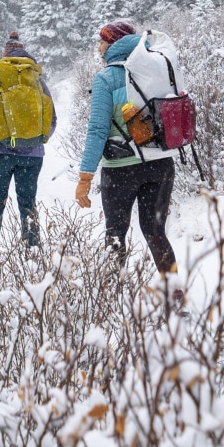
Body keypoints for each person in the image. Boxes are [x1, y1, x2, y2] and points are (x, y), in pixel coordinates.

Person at [75, 21, 179, 280]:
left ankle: (115, 303)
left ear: (113, 44)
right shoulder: (157, 67)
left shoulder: (106, 78)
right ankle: (175, 295)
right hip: (160, 164)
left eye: (102, 42)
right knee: (156, 232)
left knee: (115, 234)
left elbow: (98, 129)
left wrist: (85, 176)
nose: (99, 48)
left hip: (120, 170)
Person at [0, 31, 56, 247]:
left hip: (0, 154)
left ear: (5, 55)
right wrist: (34, 140)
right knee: (27, 203)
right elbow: (52, 122)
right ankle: (32, 249)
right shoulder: (38, 82)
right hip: (33, 157)